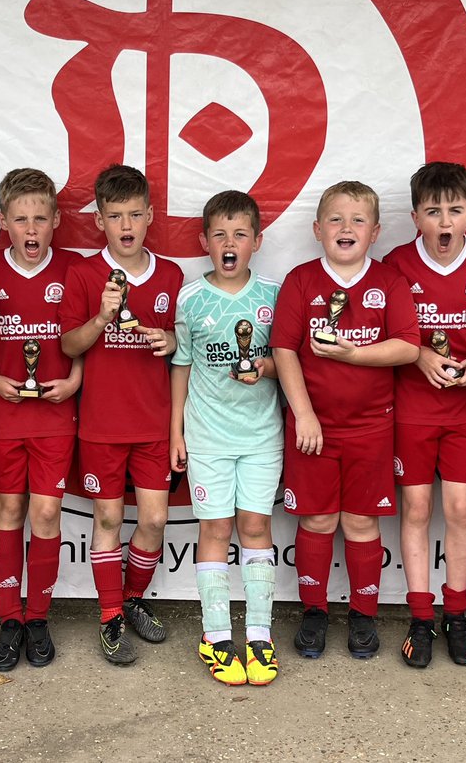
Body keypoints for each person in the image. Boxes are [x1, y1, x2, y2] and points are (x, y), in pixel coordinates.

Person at [270, 181, 419, 659]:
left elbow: (407, 347)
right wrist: (304, 414)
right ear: (317, 229)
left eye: (357, 220)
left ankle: (363, 615)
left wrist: (355, 354)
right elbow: (283, 349)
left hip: (371, 427)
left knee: (359, 522)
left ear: (375, 232)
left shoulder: (389, 283)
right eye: (335, 219)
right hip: (312, 427)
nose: (346, 228)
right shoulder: (301, 281)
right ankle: (313, 611)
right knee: (317, 518)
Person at [60, 164, 183, 665]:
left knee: (153, 520)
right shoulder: (84, 275)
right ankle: (110, 617)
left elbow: (184, 349)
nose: (127, 225)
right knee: (108, 516)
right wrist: (102, 317)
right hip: (102, 424)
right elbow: (69, 344)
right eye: (116, 216)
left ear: (150, 216)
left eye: (135, 214)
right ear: (100, 222)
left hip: (153, 423)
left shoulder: (172, 275)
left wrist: (171, 339)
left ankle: (132, 599)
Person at [383, 162, 466, 668]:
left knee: (458, 509)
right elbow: (390, 335)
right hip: (411, 409)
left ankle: (457, 612)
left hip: (465, 410)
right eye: (433, 212)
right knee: (414, 510)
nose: (444, 221)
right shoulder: (396, 263)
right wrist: (419, 355)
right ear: (416, 217)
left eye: (455, 210)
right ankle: (420, 618)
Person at [0, 168, 83, 671]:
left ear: (56, 220)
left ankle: (38, 616)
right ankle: (8, 617)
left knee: (47, 515)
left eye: (40, 219)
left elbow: (86, 335)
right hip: (3, 415)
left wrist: (76, 378)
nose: (31, 230)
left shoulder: (74, 268)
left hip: (55, 416)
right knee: (9, 514)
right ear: (2, 221)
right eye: (20, 220)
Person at [171, 191, 283, 686]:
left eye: (240, 233)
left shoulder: (274, 296)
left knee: (255, 526)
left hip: (261, 436)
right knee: (215, 529)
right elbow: (181, 365)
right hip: (209, 436)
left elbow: (291, 359)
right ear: (204, 243)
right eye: (219, 234)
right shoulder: (191, 297)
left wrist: (267, 366)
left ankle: (259, 635)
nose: (229, 243)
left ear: (257, 241)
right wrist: (176, 431)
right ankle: (216, 636)